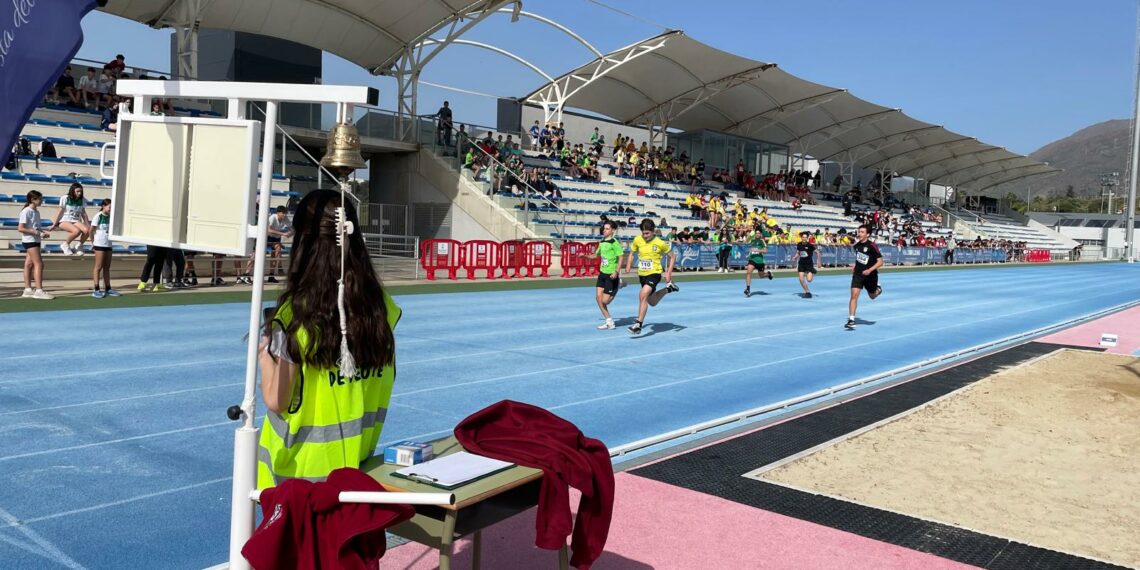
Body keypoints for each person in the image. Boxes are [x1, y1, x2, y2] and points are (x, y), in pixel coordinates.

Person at [257, 190, 400, 489]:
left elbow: (276, 399)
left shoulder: (296, 314)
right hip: (357, 469)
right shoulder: (380, 307)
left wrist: (263, 355)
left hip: (298, 479)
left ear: (303, 243)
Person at [623, 219, 678, 335]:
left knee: (642, 294)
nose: (645, 236)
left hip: (655, 273)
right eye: (643, 233)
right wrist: (628, 265)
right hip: (642, 274)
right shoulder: (638, 240)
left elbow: (672, 257)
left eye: (647, 233)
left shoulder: (660, 243)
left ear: (653, 231)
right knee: (651, 301)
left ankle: (638, 324)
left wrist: (668, 273)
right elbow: (632, 253)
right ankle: (669, 289)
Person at [583, 221, 625, 330]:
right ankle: (609, 321)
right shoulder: (602, 242)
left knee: (605, 301)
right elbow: (596, 255)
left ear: (612, 231)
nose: (604, 230)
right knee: (598, 298)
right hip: (602, 274)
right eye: (604, 228)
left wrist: (616, 271)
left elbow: (621, 257)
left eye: (607, 229)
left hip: (611, 275)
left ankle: (618, 285)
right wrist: (585, 256)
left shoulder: (614, 242)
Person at [847, 224, 884, 330]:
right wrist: (855, 265)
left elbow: (880, 262)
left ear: (867, 234)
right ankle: (851, 320)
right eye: (859, 231)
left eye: (862, 232)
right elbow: (860, 259)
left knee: (872, 296)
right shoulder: (856, 246)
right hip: (858, 274)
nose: (859, 234)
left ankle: (878, 289)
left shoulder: (872, 246)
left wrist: (869, 270)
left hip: (870, 275)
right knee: (854, 296)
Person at [18, 191, 53, 299]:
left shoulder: (36, 212)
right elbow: (21, 228)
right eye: (40, 199)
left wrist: (42, 233)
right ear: (33, 200)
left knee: (29, 264)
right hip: (30, 240)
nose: (41, 201)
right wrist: (37, 233)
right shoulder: (26, 211)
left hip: (35, 240)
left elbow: (35, 227)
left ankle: (27, 289)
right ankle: (39, 290)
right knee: (39, 264)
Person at [48, 183, 91, 255]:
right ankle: (65, 244)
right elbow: (60, 211)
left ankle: (78, 246)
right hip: (64, 220)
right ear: (72, 191)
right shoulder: (65, 198)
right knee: (76, 231)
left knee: (87, 231)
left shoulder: (82, 200)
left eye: (81, 191)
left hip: (76, 220)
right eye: (77, 191)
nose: (79, 193)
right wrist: (54, 224)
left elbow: (83, 213)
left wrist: (88, 224)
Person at [90, 199, 120, 298]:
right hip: (99, 244)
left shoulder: (112, 217)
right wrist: (93, 243)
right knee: (98, 267)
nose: (111, 209)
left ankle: (108, 288)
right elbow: (91, 231)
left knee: (107, 267)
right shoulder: (98, 216)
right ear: (103, 206)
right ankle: (96, 289)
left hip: (108, 244)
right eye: (109, 207)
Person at [267, 206, 293, 282]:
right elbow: (269, 230)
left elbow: (293, 228)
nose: (284, 215)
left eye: (285, 213)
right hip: (267, 237)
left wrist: (289, 233)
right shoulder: (273, 217)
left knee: (276, 252)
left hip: (276, 239)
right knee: (277, 250)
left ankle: (271, 275)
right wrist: (283, 234)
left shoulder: (285, 218)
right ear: (278, 213)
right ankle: (246, 274)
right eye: (283, 213)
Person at [743, 229, 773, 297]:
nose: (757, 234)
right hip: (752, 259)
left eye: (758, 233)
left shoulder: (762, 241)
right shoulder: (753, 240)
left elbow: (765, 251)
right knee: (748, 272)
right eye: (756, 233)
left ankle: (768, 274)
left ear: (760, 234)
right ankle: (748, 289)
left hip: (760, 261)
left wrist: (757, 250)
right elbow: (746, 241)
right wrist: (750, 251)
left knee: (761, 276)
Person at [795, 231, 821, 298]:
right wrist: (795, 256)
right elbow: (798, 252)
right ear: (801, 238)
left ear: (807, 238)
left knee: (809, 280)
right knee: (801, 279)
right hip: (801, 263)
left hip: (809, 264)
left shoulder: (810, 245)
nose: (804, 238)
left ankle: (813, 271)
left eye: (805, 237)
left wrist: (819, 261)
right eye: (803, 237)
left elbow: (817, 252)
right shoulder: (799, 244)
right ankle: (807, 292)